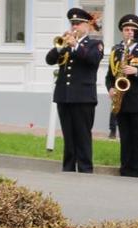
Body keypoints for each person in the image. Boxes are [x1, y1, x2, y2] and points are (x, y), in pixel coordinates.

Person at [45, 8, 103, 173]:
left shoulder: (94, 44)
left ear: (87, 25)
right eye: (73, 24)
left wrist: (75, 45)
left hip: (83, 97)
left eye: (78, 23)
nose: (75, 26)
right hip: (64, 96)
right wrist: (60, 46)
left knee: (83, 135)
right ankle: (68, 167)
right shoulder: (66, 43)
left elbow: (93, 60)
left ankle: (85, 169)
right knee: (68, 136)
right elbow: (49, 60)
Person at [105, 14, 138, 177]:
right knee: (125, 139)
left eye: (132, 30)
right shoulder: (116, 51)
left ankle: (137, 171)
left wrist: (136, 71)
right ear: (122, 31)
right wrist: (110, 89)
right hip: (121, 101)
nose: (129, 32)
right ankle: (125, 169)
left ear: (137, 33)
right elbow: (109, 76)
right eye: (126, 29)